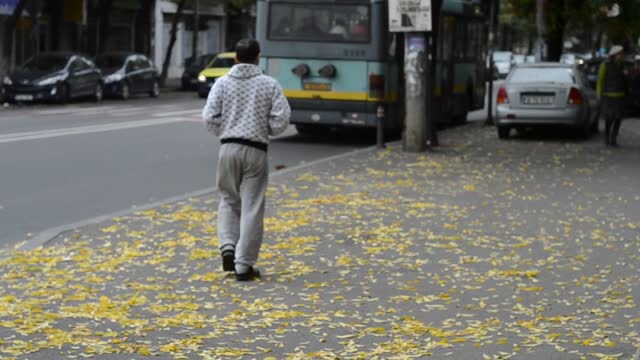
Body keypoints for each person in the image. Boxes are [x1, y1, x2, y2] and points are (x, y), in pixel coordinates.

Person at [202, 39, 291, 281]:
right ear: (258, 57)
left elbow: (209, 117)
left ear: (236, 58)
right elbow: (282, 119)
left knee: (228, 200)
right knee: (252, 206)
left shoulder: (222, 84)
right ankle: (243, 265)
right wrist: (266, 129)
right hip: (256, 150)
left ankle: (227, 245)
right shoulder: (269, 85)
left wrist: (227, 129)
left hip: (228, 147)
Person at [597, 45, 628, 147]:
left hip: (620, 96)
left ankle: (614, 139)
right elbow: (600, 80)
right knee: (609, 118)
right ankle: (607, 138)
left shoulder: (623, 65)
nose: (621, 55)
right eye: (620, 54)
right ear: (614, 55)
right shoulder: (605, 65)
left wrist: (626, 75)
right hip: (608, 96)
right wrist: (599, 94)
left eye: (622, 54)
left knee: (618, 118)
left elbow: (625, 81)